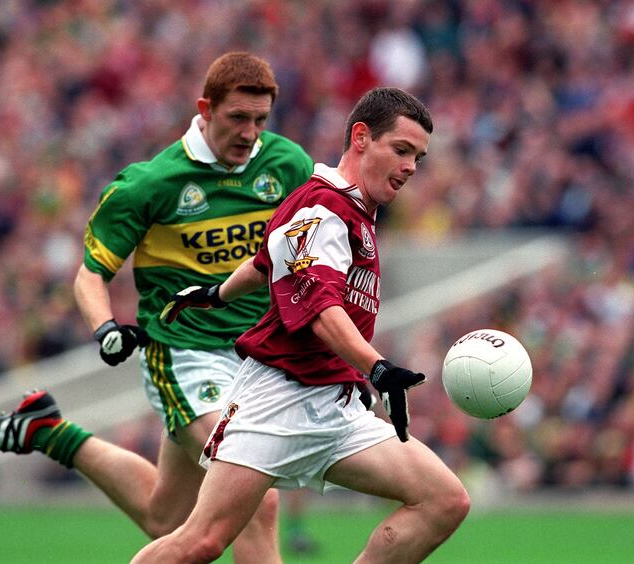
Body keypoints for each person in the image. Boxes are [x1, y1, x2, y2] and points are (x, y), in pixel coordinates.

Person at [0, 52, 314, 562]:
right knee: (252, 487)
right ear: (206, 109)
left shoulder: (289, 164)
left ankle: (47, 431)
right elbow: (91, 274)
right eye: (238, 117)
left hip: (259, 358)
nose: (249, 133)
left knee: (165, 518)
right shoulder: (150, 183)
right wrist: (105, 327)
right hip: (185, 353)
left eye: (260, 119)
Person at [135, 87, 471, 563]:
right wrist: (378, 368)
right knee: (201, 541)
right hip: (278, 400)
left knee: (445, 500)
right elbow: (318, 307)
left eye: (418, 157)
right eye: (401, 150)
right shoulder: (324, 207)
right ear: (361, 137)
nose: (411, 166)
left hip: (335, 406)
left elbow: (265, 263)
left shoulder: (349, 207)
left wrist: (215, 294)